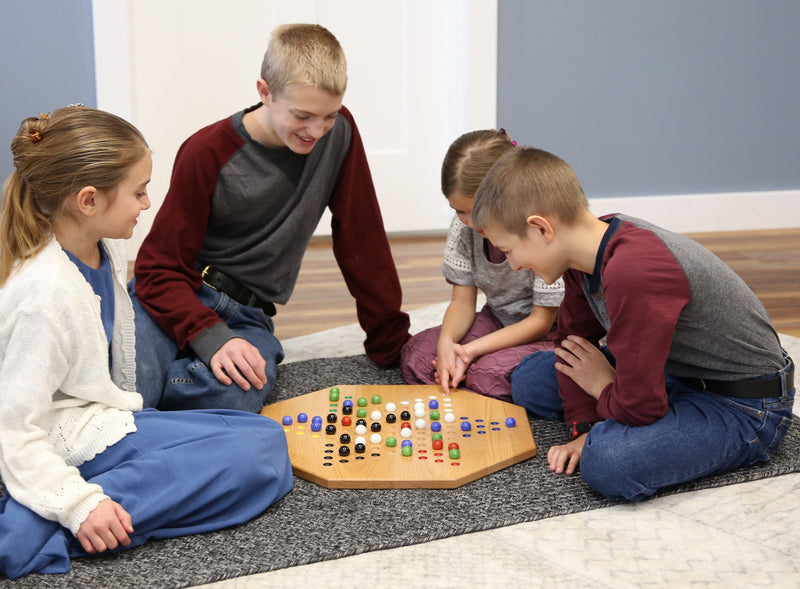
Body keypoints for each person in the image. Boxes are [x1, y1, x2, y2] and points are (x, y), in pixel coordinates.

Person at [0, 106, 293, 579]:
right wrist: (79, 505)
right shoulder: (44, 296)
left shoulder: (104, 246)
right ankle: (35, 529)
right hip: (68, 439)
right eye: (138, 192)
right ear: (88, 200)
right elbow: (14, 429)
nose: (148, 203)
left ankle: (60, 505)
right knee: (256, 460)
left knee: (265, 439)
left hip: (105, 418)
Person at [471, 146, 795, 502]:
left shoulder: (635, 270)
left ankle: (641, 416)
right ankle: (628, 410)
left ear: (541, 228)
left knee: (608, 462)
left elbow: (640, 406)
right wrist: (586, 427)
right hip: (675, 373)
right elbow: (570, 342)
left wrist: (602, 388)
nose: (514, 266)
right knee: (532, 376)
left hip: (742, 405)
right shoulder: (584, 255)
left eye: (510, 250)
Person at [130, 23, 410, 412]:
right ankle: (158, 402)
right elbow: (157, 269)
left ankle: (158, 412)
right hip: (181, 294)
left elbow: (361, 238)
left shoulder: (339, 133)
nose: (317, 130)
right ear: (265, 92)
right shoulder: (204, 151)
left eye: (328, 115)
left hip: (249, 314)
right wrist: (208, 335)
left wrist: (390, 342)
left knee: (234, 395)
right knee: (131, 385)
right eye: (303, 115)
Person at [400, 130, 563, 401]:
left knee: (488, 372)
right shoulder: (464, 229)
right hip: (497, 320)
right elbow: (462, 303)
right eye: (459, 211)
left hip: (547, 334)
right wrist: (447, 346)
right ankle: (468, 383)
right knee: (418, 354)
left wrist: (469, 351)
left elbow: (541, 321)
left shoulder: (541, 233)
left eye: (477, 212)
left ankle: (470, 379)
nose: (470, 223)